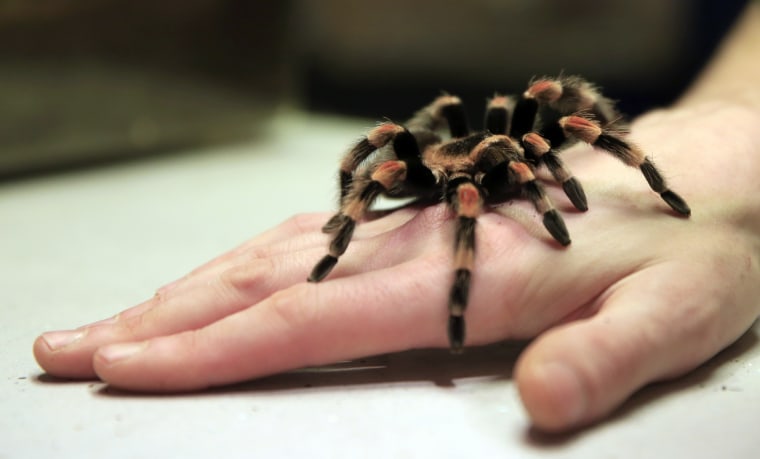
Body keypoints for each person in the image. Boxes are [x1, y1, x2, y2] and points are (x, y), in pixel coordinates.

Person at [33, 3, 760, 433]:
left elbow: (557, 125)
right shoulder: (420, 160)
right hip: (355, 97)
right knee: (389, 149)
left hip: (631, 68)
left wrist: (727, 127)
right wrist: (338, 241)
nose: (544, 175)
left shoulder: (521, 135)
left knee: (540, 94)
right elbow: (376, 157)